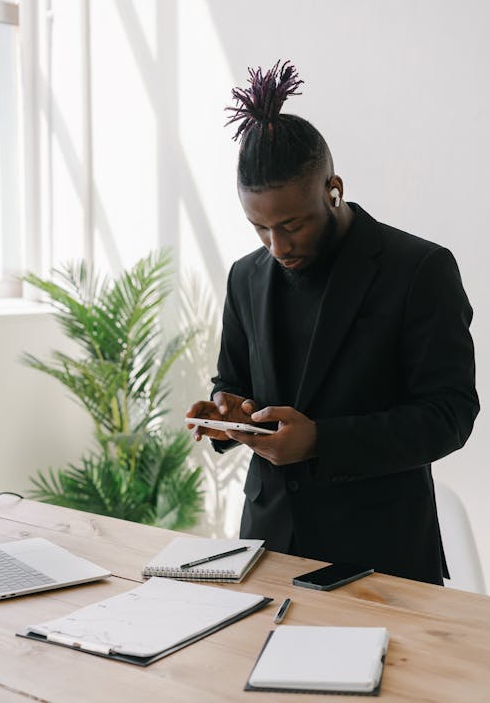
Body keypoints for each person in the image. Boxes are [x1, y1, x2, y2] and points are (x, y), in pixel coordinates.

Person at [186, 60, 479, 585]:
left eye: (292, 225)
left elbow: (449, 415)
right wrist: (228, 414)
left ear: (333, 188)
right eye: (259, 228)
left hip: (382, 557)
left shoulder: (418, 269)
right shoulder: (245, 278)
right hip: (266, 548)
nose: (278, 246)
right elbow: (234, 382)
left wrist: (321, 440)